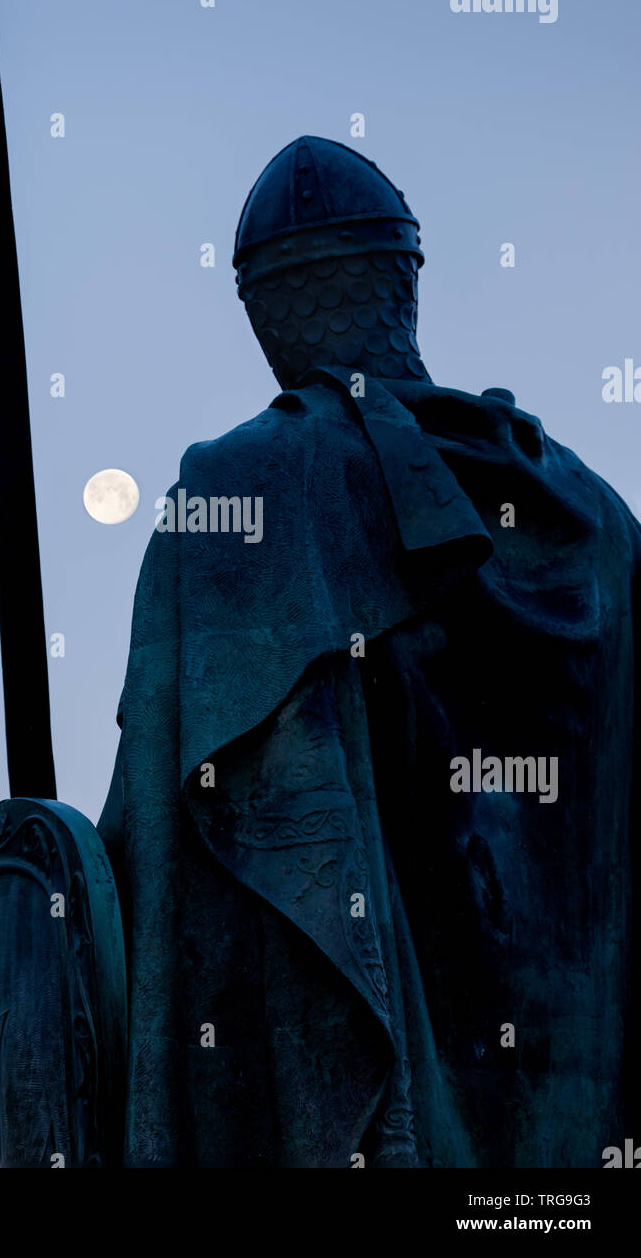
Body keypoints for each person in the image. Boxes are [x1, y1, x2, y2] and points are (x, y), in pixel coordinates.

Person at [98, 135, 640, 1167]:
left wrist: (46, 883)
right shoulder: (603, 527)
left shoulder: (242, 490)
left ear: (262, 310)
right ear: (403, 279)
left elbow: (150, 842)